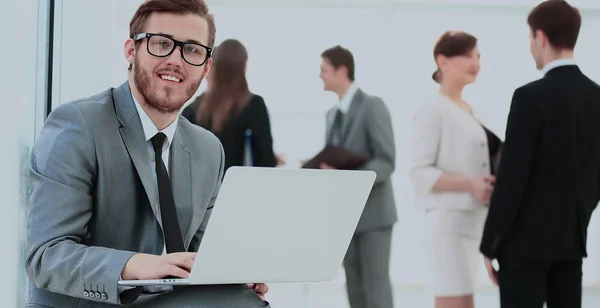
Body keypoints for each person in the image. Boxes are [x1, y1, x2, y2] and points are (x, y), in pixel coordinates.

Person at [24, 1, 270, 307]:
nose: (175, 60)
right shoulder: (78, 125)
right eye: (162, 44)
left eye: (191, 49)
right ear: (131, 51)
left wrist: (233, 273)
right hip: (96, 303)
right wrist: (135, 266)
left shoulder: (207, 149)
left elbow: (200, 258)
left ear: (206, 67)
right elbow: (47, 256)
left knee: (244, 299)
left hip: (169, 300)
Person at [480, 1, 600, 307]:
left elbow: (512, 176)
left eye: (530, 38)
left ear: (541, 37)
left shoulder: (529, 97)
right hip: (572, 244)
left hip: (523, 247)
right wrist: (579, 219)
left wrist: (491, 243)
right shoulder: (596, 97)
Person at [410, 31, 502, 308]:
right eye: (467, 54)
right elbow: (419, 172)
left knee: (466, 302)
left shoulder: (475, 111)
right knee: (454, 302)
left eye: (478, 56)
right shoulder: (432, 109)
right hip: (448, 225)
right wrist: (470, 184)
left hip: (475, 223)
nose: (475, 62)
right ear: (443, 60)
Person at [318, 45, 397, 308]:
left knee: (376, 290)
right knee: (354, 290)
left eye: (324, 70)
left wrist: (349, 179)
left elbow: (386, 161)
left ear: (342, 71)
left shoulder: (373, 106)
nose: (320, 76)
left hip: (374, 215)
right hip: (345, 217)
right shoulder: (331, 115)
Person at [182, 39, 280, 171]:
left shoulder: (193, 109)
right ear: (243, 67)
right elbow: (265, 160)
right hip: (237, 188)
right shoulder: (254, 105)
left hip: (199, 188)